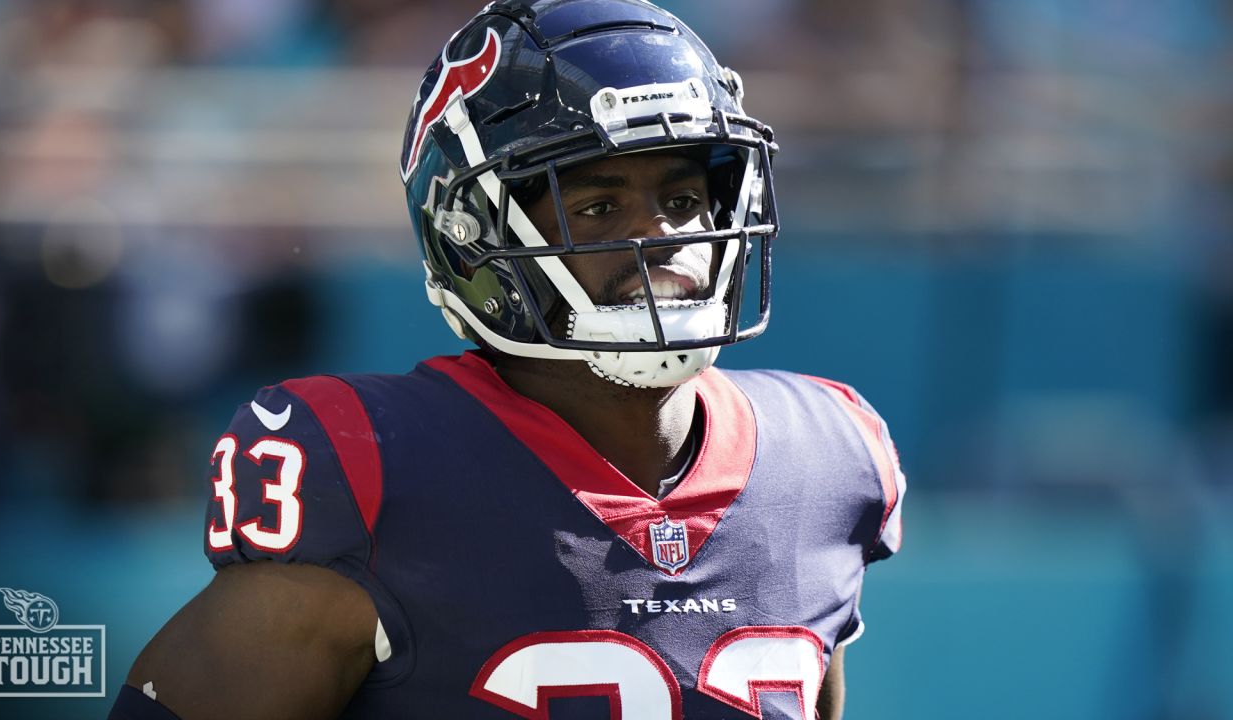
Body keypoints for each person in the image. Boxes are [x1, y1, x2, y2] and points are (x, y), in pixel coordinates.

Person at [111, 1, 905, 718]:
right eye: (596, 206)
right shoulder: (377, 466)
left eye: (684, 198)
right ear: (474, 238)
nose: (664, 236)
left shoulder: (828, 456)